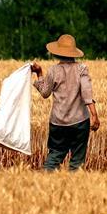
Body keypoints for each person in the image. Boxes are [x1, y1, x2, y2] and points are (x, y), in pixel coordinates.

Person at [31, 34, 101, 172]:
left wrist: (39, 73)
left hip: (58, 123)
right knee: (77, 162)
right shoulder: (82, 69)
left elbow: (45, 93)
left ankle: (42, 186)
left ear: (57, 53)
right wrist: (94, 115)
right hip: (80, 122)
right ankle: (73, 190)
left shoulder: (53, 71)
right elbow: (87, 93)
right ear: (73, 53)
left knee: (54, 157)